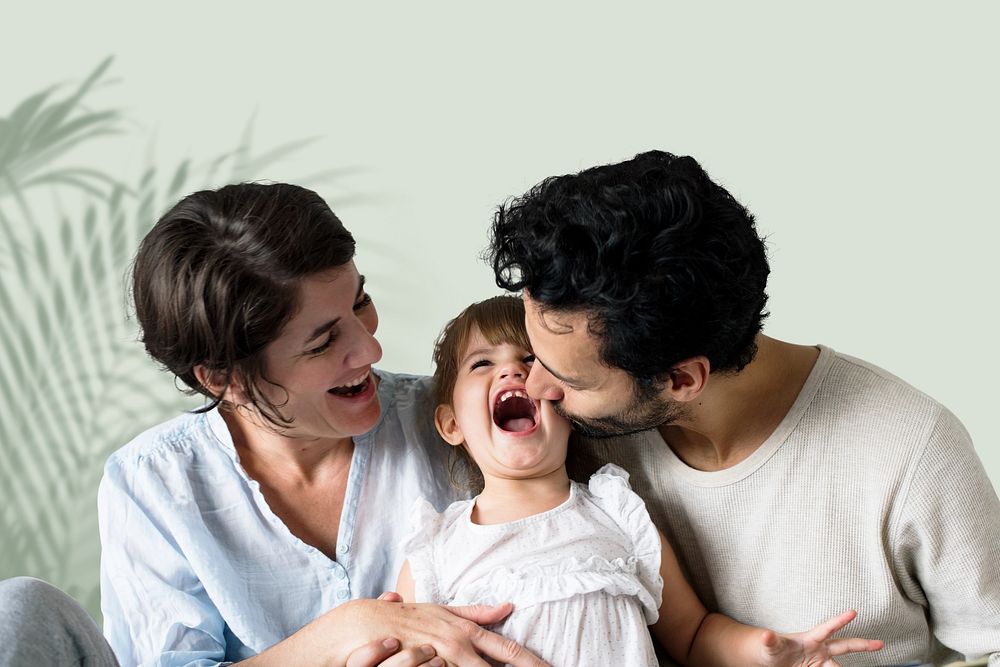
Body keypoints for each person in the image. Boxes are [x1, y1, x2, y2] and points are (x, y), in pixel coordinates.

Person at [486, 151, 1000, 666]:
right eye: (533, 356)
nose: (535, 386)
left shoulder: (912, 450)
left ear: (682, 379)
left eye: (568, 380)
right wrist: (404, 620)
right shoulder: (559, 434)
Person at [91, 182, 547, 667]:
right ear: (225, 379)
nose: (371, 350)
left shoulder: (463, 423)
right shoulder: (152, 483)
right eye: (323, 342)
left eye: (360, 302)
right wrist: (347, 631)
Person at [395, 295, 883, 667]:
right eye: (483, 363)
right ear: (450, 424)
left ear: (564, 402)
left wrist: (769, 650)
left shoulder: (618, 511)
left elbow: (692, 636)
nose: (514, 372)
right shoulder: (435, 549)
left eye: (531, 361)